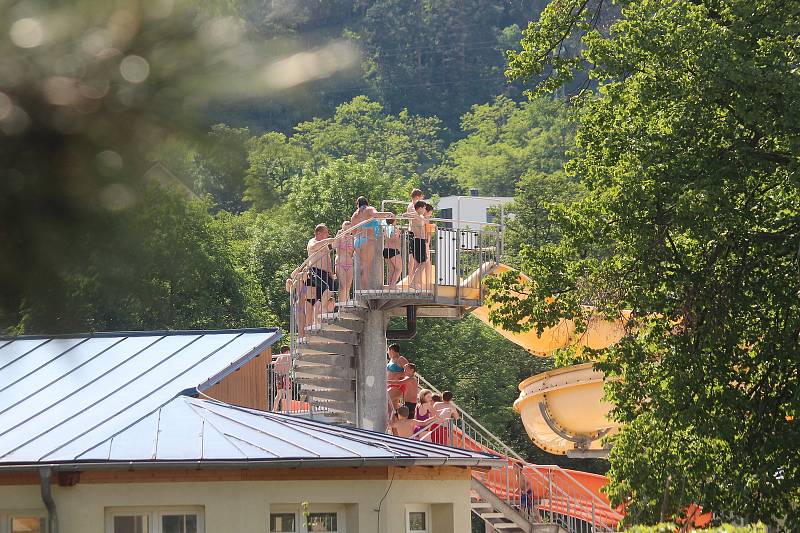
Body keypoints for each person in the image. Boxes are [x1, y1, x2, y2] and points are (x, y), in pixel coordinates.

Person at [350, 196, 393, 289]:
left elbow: (353, 232)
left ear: (358, 204)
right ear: (366, 203)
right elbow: (376, 215)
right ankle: (364, 290)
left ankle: (361, 289)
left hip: (357, 241)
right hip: (368, 240)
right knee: (366, 267)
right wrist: (388, 214)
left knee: (363, 266)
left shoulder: (355, 215)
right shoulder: (369, 209)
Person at [306, 224, 337, 326]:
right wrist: (327, 241)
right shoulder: (312, 241)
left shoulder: (325, 246)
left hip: (325, 273)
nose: (328, 234)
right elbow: (314, 247)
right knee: (328, 288)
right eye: (326, 232)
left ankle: (318, 320)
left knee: (329, 291)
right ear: (319, 233)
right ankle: (320, 314)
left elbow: (328, 260)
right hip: (315, 271)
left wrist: (331, 273)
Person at [408, 200, 428, 289]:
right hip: (418, 240)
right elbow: (406, 215)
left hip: (420, 240)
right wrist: (419, 217)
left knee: (419, 263)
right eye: (424, 208)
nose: (425, 209)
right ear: (419, 208)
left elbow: (426, 221)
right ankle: (413, 282)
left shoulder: (420, 216)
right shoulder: (416, 214)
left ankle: (415, 283)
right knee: (423, 262)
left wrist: (422, 218)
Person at [334, 221, 355, 304]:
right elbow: (334, 246)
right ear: (342, 228)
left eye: (349, 228)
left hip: (349, 263)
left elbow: (354, 251)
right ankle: (342, 305)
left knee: (348, 286)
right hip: (340, 263)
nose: (347, 230)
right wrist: (337, 236)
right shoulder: (339, 237)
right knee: (343, 286)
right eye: (345, 228)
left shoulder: (352, 238)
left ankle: (346, 302)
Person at [386, 343, 409, 408]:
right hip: (389, 384)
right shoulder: (391, 360)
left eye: (388, 351)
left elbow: (410, 372)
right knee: (392, 406)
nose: (387, 353)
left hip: (397, 385)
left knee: (386, 400)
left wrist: (400, 374)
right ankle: (399, 416)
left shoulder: (401, 359)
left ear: (391, 350)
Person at [382, 216, 402, 286]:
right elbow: (392, 239)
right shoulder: (393, 228)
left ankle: (390, 285)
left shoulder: (385, 227)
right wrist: (398, 234)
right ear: (394, 220)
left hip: (386, 250)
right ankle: (392, 285)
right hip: (393, 250)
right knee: (399, 269)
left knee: (392, 269)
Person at [272, 346, 291, 412]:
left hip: (279, 376)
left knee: (279, 395)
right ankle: (288, 410)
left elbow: (275, 369)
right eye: (289, 351)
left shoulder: (279, 357)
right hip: (285, 376)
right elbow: (289, 366)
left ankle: (274, 410)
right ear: (286, 351)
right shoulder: (288, 357)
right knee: (288, 394)